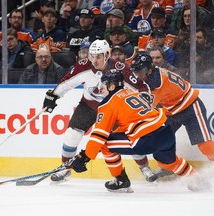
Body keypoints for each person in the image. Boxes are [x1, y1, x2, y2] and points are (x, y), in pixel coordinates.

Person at [68, 69, 211, 193]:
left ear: (111, 86)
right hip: (166, 131)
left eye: (104, 86)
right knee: (168, 161)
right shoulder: (131, 92)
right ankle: (197, 179)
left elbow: (99, 136)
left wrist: (85, 157)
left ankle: (120, 180)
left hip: (147, 139)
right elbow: (129, 123)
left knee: (105, 144)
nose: (102, 89)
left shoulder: (108, 103)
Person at [42, 39, 155, 183]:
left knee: (127, 138)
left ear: (107, 55)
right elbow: (67, 82)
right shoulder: (84, 66)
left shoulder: (120, 69)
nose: (94, 60)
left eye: (98, 56)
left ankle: (144, 167)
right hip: (88, 106)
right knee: (71, 135)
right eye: (92, 56)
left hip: (113, 109)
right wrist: (54, 95)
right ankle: (65, 169)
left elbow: (139, 86)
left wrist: (145, 97)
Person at [130, 52, 214, 178]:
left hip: (190, 107)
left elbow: (147, 107)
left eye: (141, 71)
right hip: (172, 111)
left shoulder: (155, 82)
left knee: (204, 144)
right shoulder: (152, 75)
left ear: (149, 69)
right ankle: (167, 166)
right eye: (136, 72)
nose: (138, 75)